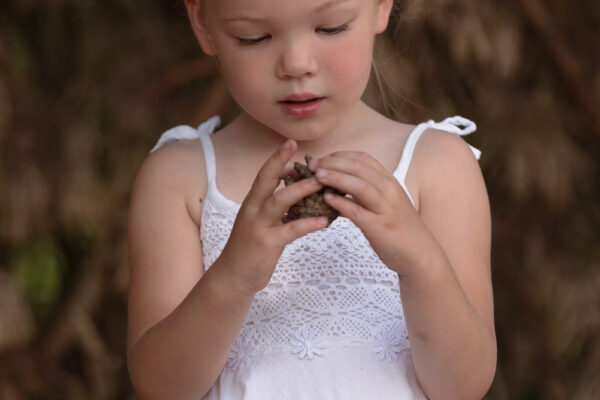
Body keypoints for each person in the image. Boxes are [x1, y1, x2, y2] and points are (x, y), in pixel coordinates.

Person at [126, 0, 497, 398]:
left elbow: (464, 385)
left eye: (331, 28)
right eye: (255, 37)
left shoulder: (438, 165)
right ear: (202, 24)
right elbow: (160, 386)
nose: (297, 64)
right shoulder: (180, 177)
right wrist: (231, 277)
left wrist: (421, 264)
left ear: (381, 6)